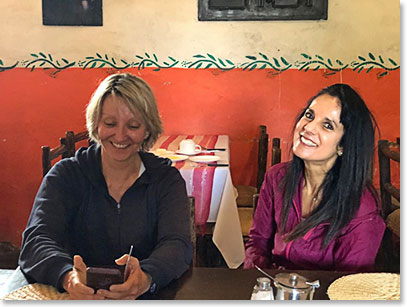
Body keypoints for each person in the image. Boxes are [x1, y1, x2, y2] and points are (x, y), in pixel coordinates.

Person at [18, 73, 192, 299]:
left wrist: (147, 277)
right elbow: (36, 240)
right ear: (96, 124)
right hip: (76, 298)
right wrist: (68, 277)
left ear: (147, 129)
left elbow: (177, 244)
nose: (120, 135)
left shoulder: (166, 180)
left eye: (133, 125)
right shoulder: (65, 175)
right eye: (110, 123)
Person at [244, 83, 385, 272]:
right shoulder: (278, 177)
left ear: (343, 146)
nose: (308, 127)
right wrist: (261, 286)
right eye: (309, 115)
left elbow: (350, 285)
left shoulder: (361, 208)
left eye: (327, 125)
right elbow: (258, 243)